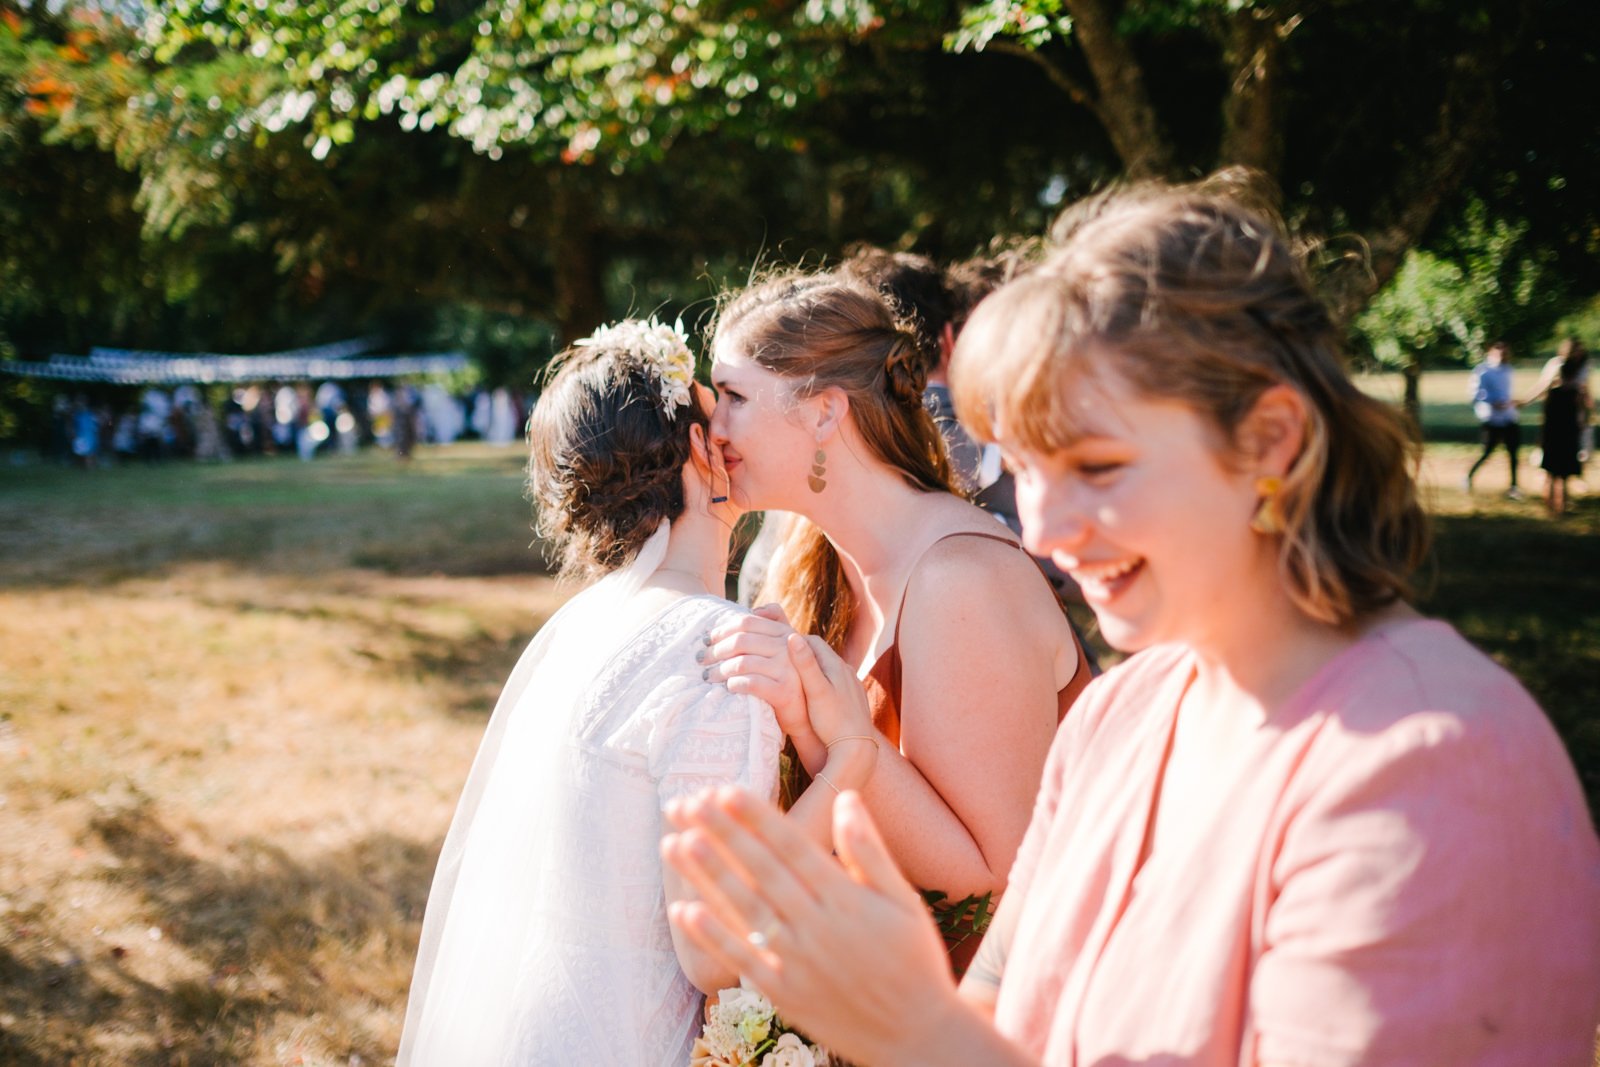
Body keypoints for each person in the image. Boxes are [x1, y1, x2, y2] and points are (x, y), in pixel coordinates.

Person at [664, 179, 1600, 1066]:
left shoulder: (1429, 763)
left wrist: (916, 1030)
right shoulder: (1123, 718)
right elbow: (1004, 1016)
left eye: (1101, 467)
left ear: (1270, 440)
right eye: (1027, 469)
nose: (1050, 529)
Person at [397, 319, 877, 1064]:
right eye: (715, 410)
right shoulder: (719, 656)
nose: (729, 430)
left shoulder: (582, 630)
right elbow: (710, 952)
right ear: (697, 447)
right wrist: (849, 759)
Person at [701, 271, 1092, 971]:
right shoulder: (813, 558)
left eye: (732, 397)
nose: (713, 426)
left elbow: (990, 884)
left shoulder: (958, 581)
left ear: (825, 413)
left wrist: (836, 740)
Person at [1531, 342, 1588, 515]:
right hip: (1568, 435)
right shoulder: (1576, 393)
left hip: (1552, 435)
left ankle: (1551, 505)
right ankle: (1561, 506)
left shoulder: (1553, 394)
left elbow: (1545, 416)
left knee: (1551, 473)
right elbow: (1582, 413)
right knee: (1562, 474)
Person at [1465, 340, 1525, 499]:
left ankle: (1513, 486)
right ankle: (1469, 476)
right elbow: (1475, 394)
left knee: (1513, 453)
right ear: (1491, 353)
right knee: (1487, 452)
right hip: (1491, 418)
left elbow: (1507, 393)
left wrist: (1513, 403)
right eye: (1501, 353)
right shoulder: (1482, 371)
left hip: (1509, 416)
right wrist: (1492, 402)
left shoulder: (1508, 370)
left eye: (1506, 353)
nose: (1504, 356)